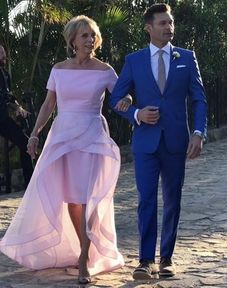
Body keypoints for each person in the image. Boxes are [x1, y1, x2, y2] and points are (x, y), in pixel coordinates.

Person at [0, 15, 131, 284]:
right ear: (72, 40)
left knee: (91, 198)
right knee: (73, 198)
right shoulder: (59, 69)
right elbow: (49, 105)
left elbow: (120, 96)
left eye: (93, 35)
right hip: (64, 136)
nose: (90, 39)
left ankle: (84, 255)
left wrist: (128, 99)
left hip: (93, 136)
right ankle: (85, 246)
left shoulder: (105, 70)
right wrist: (34, 134)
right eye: (84, 35)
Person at [110, 3, 207, 280]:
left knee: (173, 199)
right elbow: (116, 99)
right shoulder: (134, 60)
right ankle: (144, 260)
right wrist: (137, 113)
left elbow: (199, 99)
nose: (169, 27)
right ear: (149, 28)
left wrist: (199, 133)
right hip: (146, 143)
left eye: (171, 23)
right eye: (163, 23)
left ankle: (166, 258)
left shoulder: (187, 57)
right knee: (146, 199)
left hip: (177, 141)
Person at [0, 45, 33, 189]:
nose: (3, 54)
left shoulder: (5, 73)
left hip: (2, 118)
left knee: (25, 142)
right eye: (0, 52)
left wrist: (19, 107)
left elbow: (9, 96)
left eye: (3, 52)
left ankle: (30, 183)